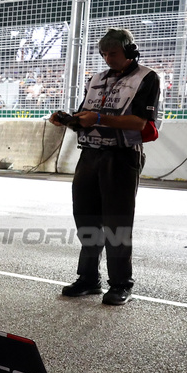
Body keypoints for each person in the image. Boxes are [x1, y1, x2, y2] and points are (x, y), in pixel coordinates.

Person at [49, 28, 159, 306]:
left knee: (117, 223)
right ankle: (89, 279)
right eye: (104, 54)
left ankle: (121, 283)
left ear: (130, 51)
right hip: (90, 156)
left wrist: (98, 117)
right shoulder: (96, 79)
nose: (107, 58)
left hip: (122, 157)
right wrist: (68, 119)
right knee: (85, 219)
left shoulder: (147, 78)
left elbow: (140, 123)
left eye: (113, 53)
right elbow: (83, 116)